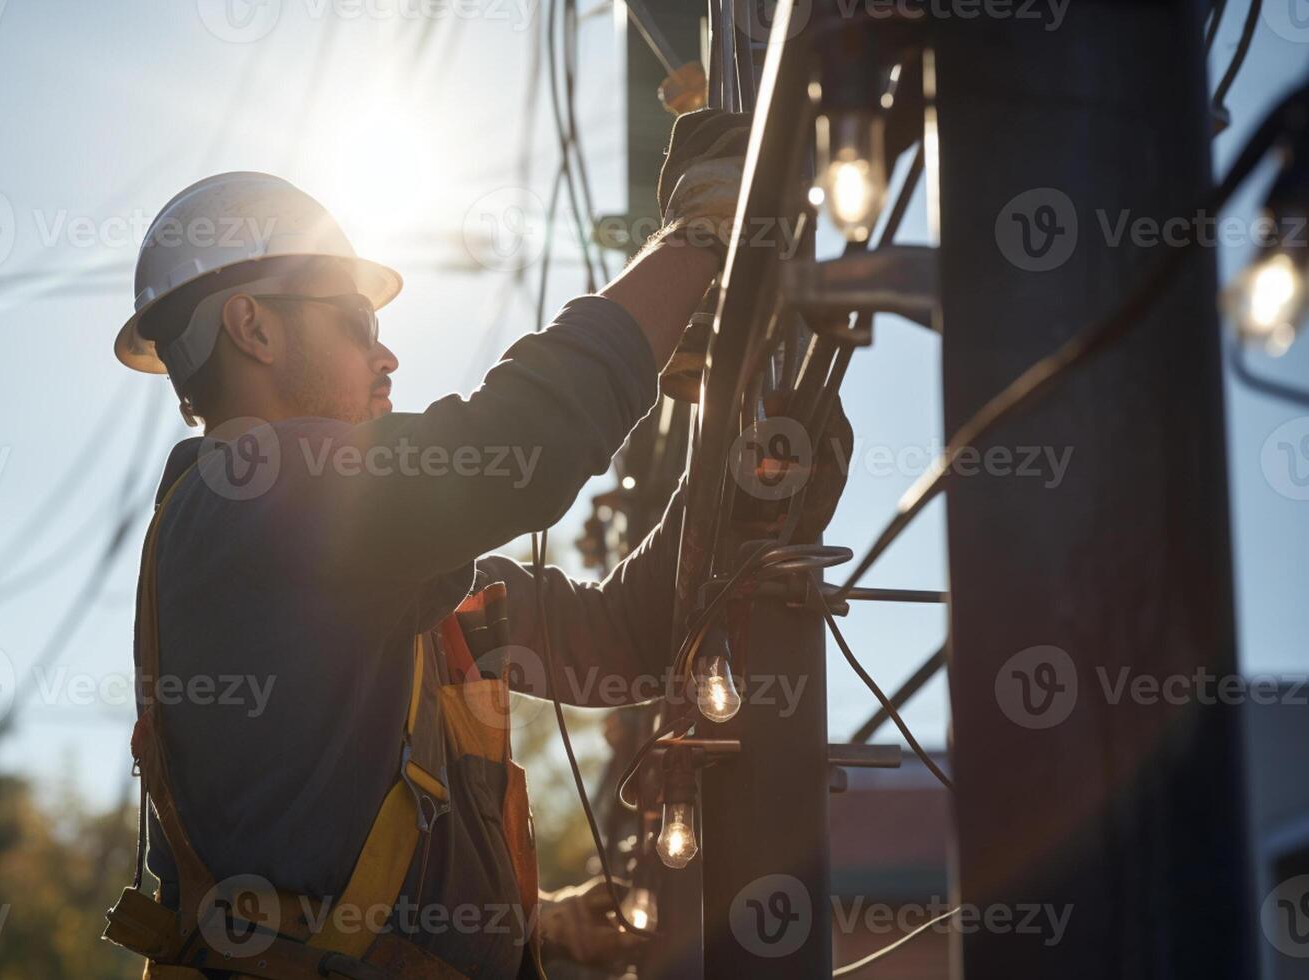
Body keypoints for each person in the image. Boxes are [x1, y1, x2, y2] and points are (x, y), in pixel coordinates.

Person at [103, 111, 850, 979]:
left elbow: (625, 640)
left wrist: (740, 479)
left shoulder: (377, 575)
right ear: (253, 327)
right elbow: (519, 443)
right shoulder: (246, 509)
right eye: (353, 321)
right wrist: (700, 237)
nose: (386, 357)